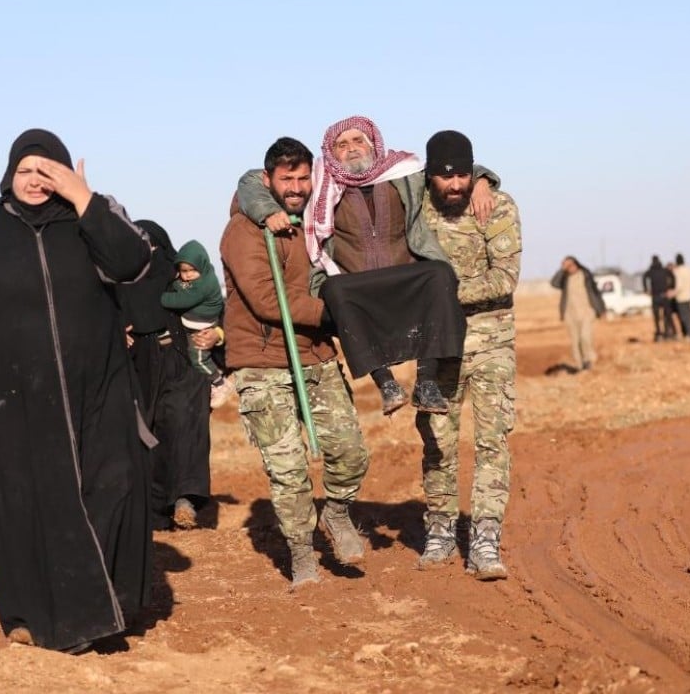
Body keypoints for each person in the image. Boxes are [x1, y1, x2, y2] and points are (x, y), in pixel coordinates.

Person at [0, 129, 155, 653]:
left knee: (113, 487)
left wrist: (85, 200)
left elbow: (134, 264)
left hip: (100, 388)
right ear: (8, 175)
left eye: (47, 171)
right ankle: (39, 619)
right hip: (11, 399)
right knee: (23, 507)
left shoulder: (95, 216)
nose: (35, 180)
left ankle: (104, 605)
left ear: (65, 174)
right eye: (26, 170)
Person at [236, 116, 498, 416]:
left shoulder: (403, 172)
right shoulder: (319, 180)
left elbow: (448, 167)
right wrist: (267, 210)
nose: (351, 149)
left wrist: (481, 180)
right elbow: (250, 180)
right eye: (342, 144)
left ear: (374, 142)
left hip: (404, 278)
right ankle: (385, 382)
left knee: (439, 273)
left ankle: (426, 384)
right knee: (333, 290)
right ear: (331, 153)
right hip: (358, 286)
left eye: (358, 140)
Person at [221, 136, 371, 590]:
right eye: (287, 179)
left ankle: (338, 512)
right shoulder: (243, 231)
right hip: (263, 361)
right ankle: (302, 554)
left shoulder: (314, 222)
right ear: (267, 179)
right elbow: (269, 301)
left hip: (315, 353)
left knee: (349, 452)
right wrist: (332, 314)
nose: (297, 187)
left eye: (304, 178)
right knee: (288, 471)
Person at [415, 130, 521, 581]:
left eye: (463, 173)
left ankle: (484, 537)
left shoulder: (497, 205)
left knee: (492, 441)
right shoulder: (414, 206)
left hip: (492, 341)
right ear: (429, 175)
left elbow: (505, 277)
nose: (455, 184)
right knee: (437, 442)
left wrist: (447, 295)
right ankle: (439, 528)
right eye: (445, 176)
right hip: (436, 348)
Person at [115, 221, 213, 531]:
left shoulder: (180, 277)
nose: (150, 254)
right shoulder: (114, 280)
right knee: (147, 430)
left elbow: (211, 303)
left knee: (185, 423)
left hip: (182, 356)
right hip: (139, 362)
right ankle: (156, 513)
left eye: (154, 247)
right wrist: (116, 333)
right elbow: (98, 315)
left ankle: (184, 498)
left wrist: (215, 334)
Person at [160, 239, 232, 406]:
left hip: (201, 329)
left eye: (192, 270)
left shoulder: (204, 285)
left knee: (198, 358)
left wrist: (162, 296)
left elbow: (181, 300)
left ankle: (219, 383)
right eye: (183, 271)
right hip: (195, 324)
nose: (187, 275)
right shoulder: (200, 278)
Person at [549, 256, 605, 372]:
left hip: (587, 311)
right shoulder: (565, 278)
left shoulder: (585, 275)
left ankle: (589, 359)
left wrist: (601, 308)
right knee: (575, 341)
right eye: (567, 266)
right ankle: (581, 366)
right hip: (570, 314)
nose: (570, 268)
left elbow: (596, 292)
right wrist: (562, 269)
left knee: (585, 337)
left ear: (576, 264)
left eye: (571, 265)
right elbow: (554, 283)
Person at [642, 255, 676, 341]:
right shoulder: (664, 270)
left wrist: (646, 289)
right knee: (668, 316)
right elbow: (672, 276)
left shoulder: (651, 272)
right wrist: (671, 288)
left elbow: (644, 277)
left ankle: (659, 333)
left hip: (655, 296)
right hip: (664, 295)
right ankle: (673, 333)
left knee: (657, 318)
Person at [672, 253, 690, 340]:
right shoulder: (689, 270)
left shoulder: (677, 272)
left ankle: (689, 334)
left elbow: (679, 286)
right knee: (689, 315)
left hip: (681, 297)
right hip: (689, 296)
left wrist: (673, 293)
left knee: (684, 317)